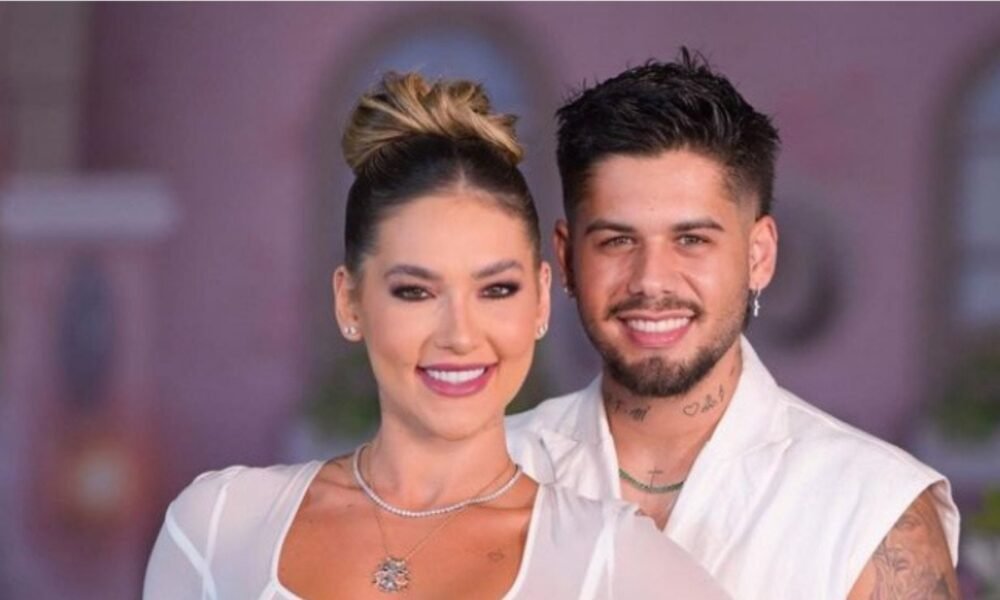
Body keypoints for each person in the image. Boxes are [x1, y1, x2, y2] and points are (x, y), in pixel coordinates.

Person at [143, 72, 728, 599]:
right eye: (415, 292)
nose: (459, 335)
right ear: (350, 301)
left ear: (541, 299)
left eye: (496, 289)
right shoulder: (219, 527)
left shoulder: (613, 562)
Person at [506, 49, 961, 599]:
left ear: (758, 255)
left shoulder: (873, 507)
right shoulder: (490, 469)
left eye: (691, 239)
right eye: (617, 240)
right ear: (566, 257)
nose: (651, 280)